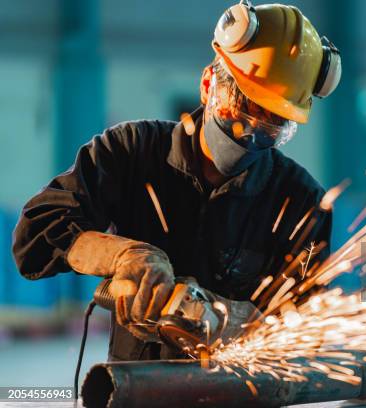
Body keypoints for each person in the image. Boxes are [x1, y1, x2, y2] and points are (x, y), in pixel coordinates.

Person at [12, 1, 341, 361]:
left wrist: (237, 322)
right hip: (136, 391)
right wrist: (120, 255)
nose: (247, 133)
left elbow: (308, 326)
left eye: (270, 124)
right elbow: (35, 234)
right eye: (241, 107)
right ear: (208, 84)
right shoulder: (132, 152)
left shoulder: (301, 202)